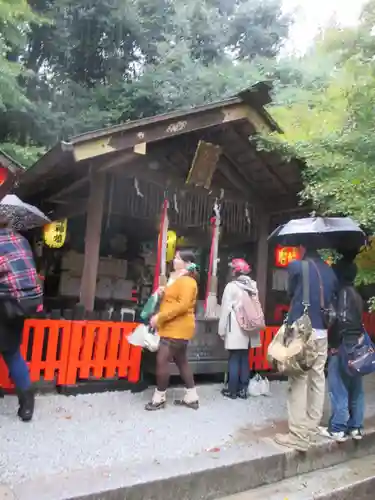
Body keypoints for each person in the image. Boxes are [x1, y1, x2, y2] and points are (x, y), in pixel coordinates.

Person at [275, 246, 338, 451]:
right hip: (321, 331)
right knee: (318, 377)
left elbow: (290, 293)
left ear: (303, 247)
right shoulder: (329, 271)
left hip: (301, 332)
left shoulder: (296, 267)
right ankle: (312, 426)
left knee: (298, 378)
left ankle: (298, 434)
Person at [0, 218, 43, 422]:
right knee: (12, 353)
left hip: (4, 303)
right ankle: (27, 405)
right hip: (20, 306)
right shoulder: (21, 240)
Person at [146, 250, 199, 411]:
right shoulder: (178, 279)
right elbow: (173, 301)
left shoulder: (187, 281)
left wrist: (159, 318)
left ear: (187, 263)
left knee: (162, 360)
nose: (174, 261)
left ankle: (159, 397)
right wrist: (163, 293)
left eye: (177, 258)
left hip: (176, 328)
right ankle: (191, 396)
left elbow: (181, 306)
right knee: (181, 360)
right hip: (175, 327)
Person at [319, 260, 364, 442]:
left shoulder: (341, 294)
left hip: (343, 346)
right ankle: (356, 427)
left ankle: (338, 427)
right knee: (356, 388)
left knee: (338, 387)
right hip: (358, 346)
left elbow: (337, 320)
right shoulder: (357, 295)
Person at [218, 258, 260, 399]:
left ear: (235, 271)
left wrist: (221, 330)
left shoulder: (231, 287)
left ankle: (232, 390)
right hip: (250, 328)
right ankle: (243, 390)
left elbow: (225, 310)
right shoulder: (253, 286)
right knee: (244, 358)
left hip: (235, 327)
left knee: (234, 357)